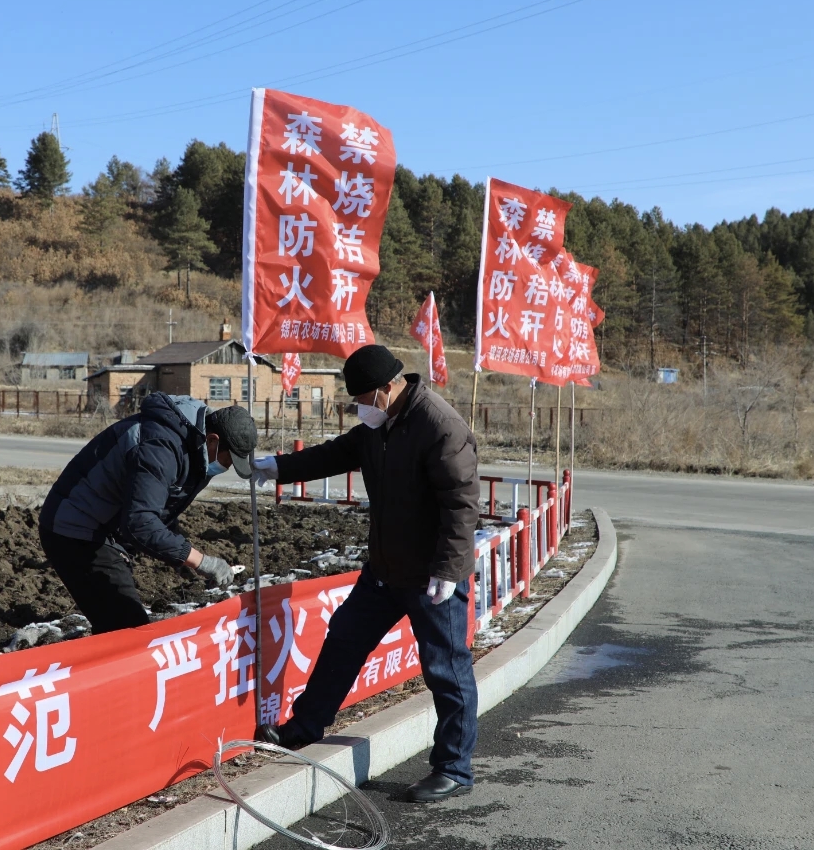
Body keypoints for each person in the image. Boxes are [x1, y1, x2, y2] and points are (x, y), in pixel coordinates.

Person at [252, 344, 481, 803]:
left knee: (445, 667)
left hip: (430, 576)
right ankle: (305, 725)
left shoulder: (438, 426)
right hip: (384, 570)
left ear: (385, 389)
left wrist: (449, 570)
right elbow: (332, 455)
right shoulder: (379, 426)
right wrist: (277, 467)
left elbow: (461, 503)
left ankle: (453, 768)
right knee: (345, 638)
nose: (358, 408)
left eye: (361, 399)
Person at [38, 394, 257, 635]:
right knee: (127, 628)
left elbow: (159, 507)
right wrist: (199, 560)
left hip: (108, 527)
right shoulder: (159, 446)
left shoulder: (195, 448)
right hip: (75, 527)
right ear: (213, 440)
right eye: (229, 460)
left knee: (119, 626)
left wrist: (179, 553)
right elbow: (140, 522)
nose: (226, 468)